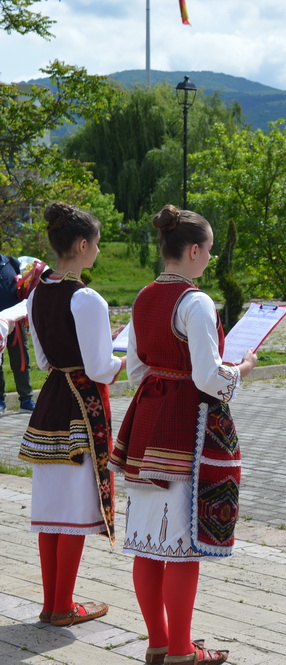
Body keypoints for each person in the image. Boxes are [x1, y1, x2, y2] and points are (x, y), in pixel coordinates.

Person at [111, 205, 257, 665]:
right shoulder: (195, 302)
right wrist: (243, 369)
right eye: (209, 251)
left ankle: (158, 641)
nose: (210, 259)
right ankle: (180, 650)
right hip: (186, 429)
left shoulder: (144, 296)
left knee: (148, 543)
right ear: (194, 250)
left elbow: (135, 370)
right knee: (181, 546)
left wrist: (163, 383)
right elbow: (209, 376)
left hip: (147, 420)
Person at [17, 203, 123, 628]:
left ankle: (53, 601)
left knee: (52, 508)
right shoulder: (87, 297)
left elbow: (43, 359)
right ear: (82, 245)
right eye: (95, 244)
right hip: (83, 403)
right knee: (75, 511)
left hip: (51, 402)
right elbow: (99, 368)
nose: (97, 251)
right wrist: (127, 359)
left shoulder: (38, 292)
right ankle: (62, 605)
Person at [0, 253, 35, 412]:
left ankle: (26, 400)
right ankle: (0, 400)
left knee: (21, 361)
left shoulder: (11, 262)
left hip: (16, 320)